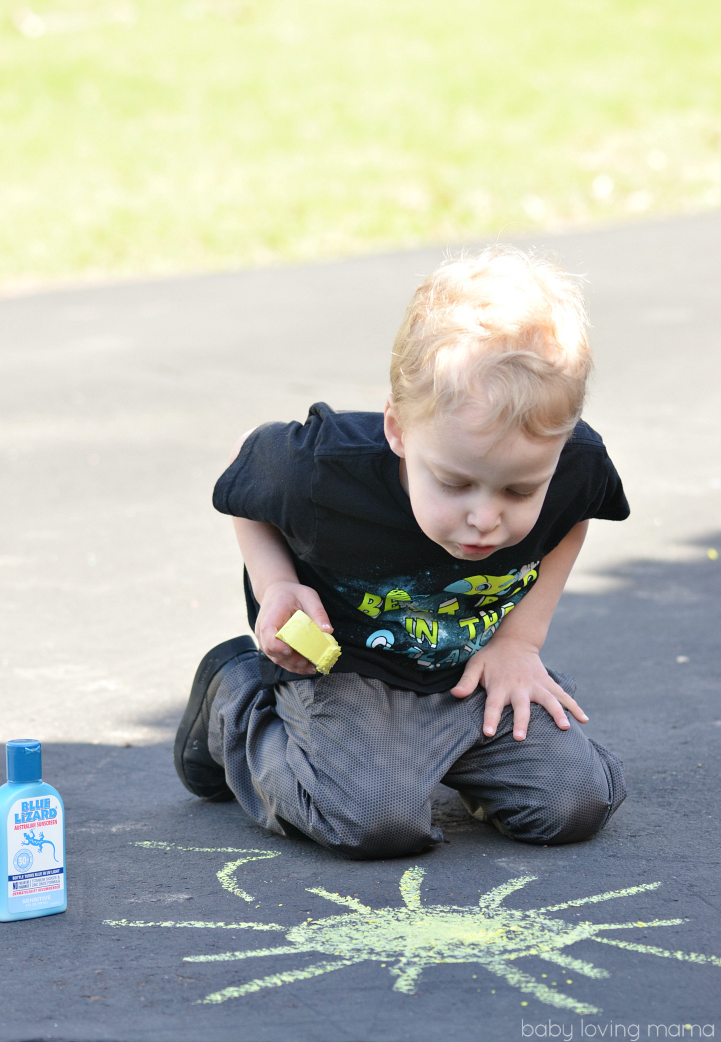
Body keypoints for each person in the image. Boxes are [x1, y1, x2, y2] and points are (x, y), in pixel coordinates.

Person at [174, 246, 628, 859]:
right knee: (375, 822)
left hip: (469, 673)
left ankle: (436, 760)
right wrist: (277, 585)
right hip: (346, 672)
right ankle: (239, 700)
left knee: (574, 801)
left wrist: (519, 643)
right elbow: (243, 476)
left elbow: (576, 516)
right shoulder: (326, 468)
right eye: (455, 482)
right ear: (398, 431)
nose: (485, 518)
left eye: (520, 490)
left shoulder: (572, 463)